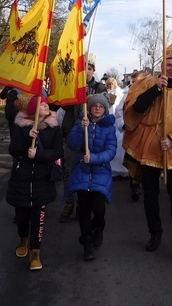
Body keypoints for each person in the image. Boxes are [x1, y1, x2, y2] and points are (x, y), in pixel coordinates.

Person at [122, 47, 172, 259]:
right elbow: (135, 109)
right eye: (168, 64)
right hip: (148, 147)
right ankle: (154, 234)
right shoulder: (147, 83)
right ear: (161, 66)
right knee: (151, 195)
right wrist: (156, 89)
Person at [6, 95, 63, 271]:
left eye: (46, 104)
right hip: (21, 179)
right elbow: (13, 149)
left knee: (38, 218)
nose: (47, 106)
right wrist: (26, 138)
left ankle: (35, 251)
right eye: (42, 105)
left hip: (42, 180)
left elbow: (57, 152)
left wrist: (38, 155)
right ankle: (23, 239)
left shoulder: (53, 128)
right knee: (22, 216)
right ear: (33, 111)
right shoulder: (21, 127)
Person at [58, 57, 108, 223]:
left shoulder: (100, 87)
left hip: (94, 137)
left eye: (89, 68)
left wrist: (88, 98)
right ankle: (69, 202)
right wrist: (72, 92)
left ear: (93, 70)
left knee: (87, 172)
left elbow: (104, 108)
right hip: (74, 134)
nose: (86, 71)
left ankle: (83, 204)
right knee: (69, 170)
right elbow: (62, 105)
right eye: (83, 67)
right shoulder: (72, 86)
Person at [67, 94, 117, 261]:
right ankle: (87, 243)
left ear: (105, 110)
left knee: (98, 207)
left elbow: (111, 151)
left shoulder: (109, 127)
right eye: (94, 105)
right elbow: (72, 144)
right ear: (89, 108)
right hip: (82, 170)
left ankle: (98, 228)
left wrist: (94, 158)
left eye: (101, 106)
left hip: (100, 171)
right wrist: (81, 129)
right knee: (83, 208)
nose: (97, 108)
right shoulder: (81, 122)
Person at [123, 70, 147, 201]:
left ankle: (144, 183)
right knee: (133, 159)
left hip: (147, 133)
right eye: (132, 83)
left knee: (145, 160)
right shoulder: (127, 95)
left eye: (137, 82)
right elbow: (122, 111)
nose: (134, 85)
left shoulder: (150, 94)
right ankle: (134, 185)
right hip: (133, 131)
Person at [105, 77, 128, 179]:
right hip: (110, 123)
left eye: (112, 84)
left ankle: (122, 169)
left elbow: (120, 108)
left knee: (120, 145)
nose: (111, 86)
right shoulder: (105, 94)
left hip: (118, 123)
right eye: (109, 84)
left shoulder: (120, 93)